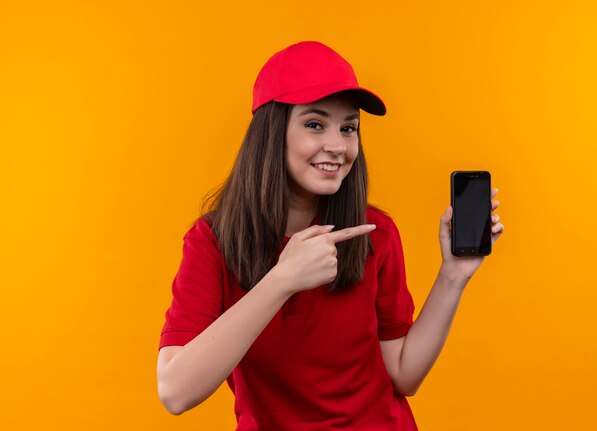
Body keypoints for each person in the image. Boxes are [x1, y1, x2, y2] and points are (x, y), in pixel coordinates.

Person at [156, 41, 504, 430]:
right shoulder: (212, 242)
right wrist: (282, 280)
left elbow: (404, 374)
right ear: (272, 133)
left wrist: (453, 275)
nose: (338, 146)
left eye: (348, 128)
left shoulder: (376, 233)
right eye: (315, 124)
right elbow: (175, 391)